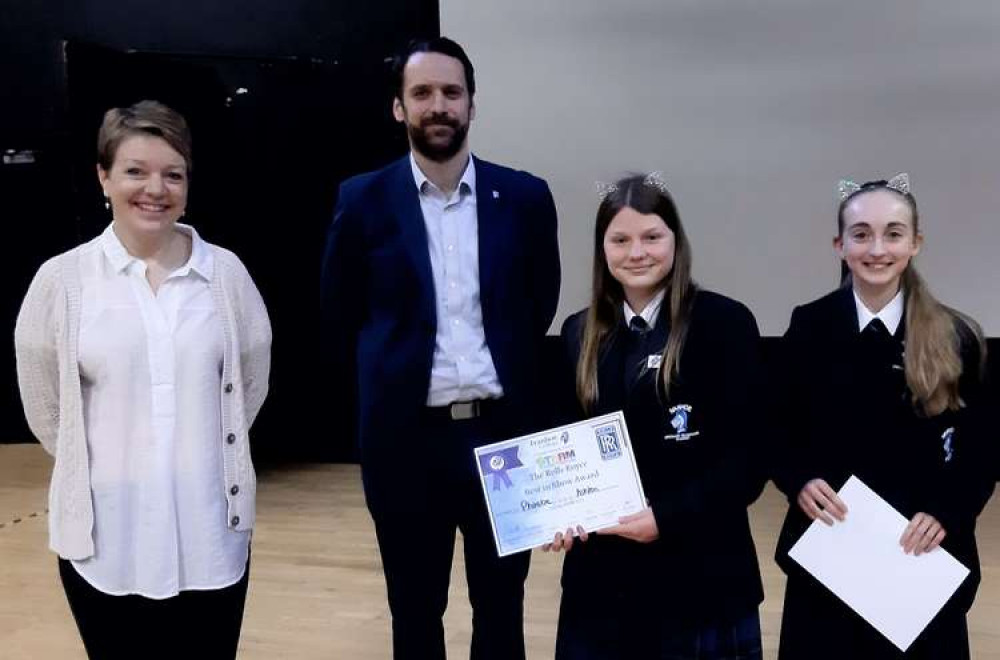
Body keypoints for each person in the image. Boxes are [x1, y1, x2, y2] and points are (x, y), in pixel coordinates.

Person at [320, 37, 560, 659]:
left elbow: (540, 304)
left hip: (502, 438)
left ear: (472, 105)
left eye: (451, 93)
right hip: (406, 443)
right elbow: (341, 310)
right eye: (422, 93)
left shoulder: (526, 199)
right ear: (399, 108)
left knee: (502, 605)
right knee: (415, 610)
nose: (438, 105)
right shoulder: (361, 199)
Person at [14, 100, 271, 660]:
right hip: (107, 539)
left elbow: (248, 386)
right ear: (103, 176)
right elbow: (45, 407)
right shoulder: (62, 281)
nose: (155, 188)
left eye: (172, 173)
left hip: (211, 532)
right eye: (136, 170)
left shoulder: (225, 275)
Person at [773, 174, 994, 659]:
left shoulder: (958, 335)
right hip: (829, 559)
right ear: (840, 244)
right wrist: (799, 479)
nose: (877, 248)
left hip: (920, 565)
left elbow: (983, 449)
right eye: (861, 234)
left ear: (916, 242)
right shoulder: (809, 326)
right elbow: (778, 426)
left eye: (894, 233)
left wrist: (948, 512)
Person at [547, 172, 765, 659]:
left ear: (676, 240)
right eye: (620, 239)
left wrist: (665, 517)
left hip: (701, 579)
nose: (636, 252)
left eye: (651, 237)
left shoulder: (725, 324)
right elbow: (564, 449)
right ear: (602, 248)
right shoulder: (578, 334)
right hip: (602, 587)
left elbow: (748, 463)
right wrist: (558, 513)